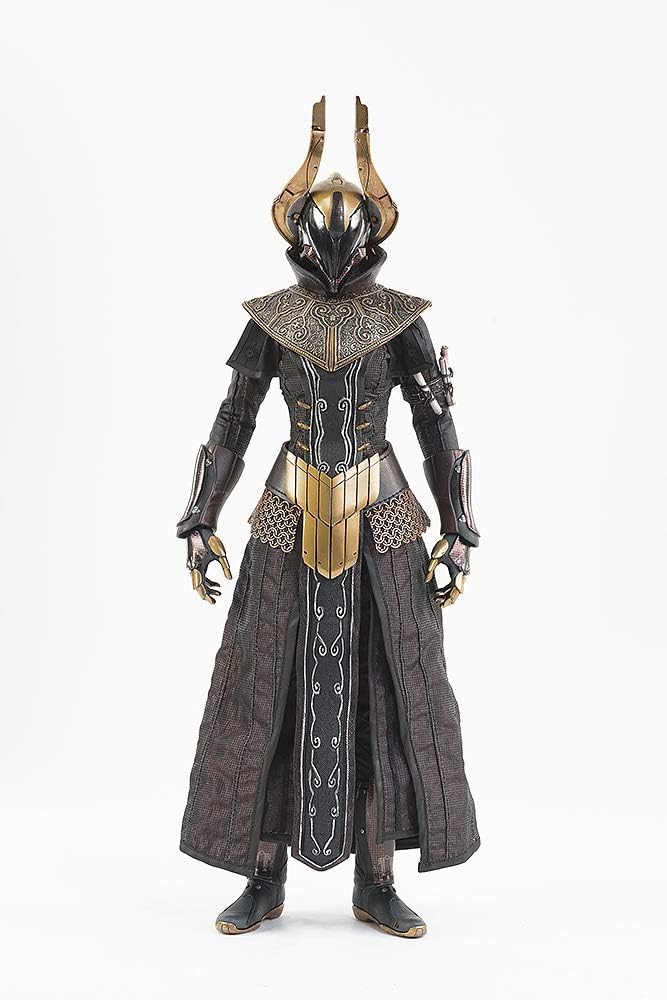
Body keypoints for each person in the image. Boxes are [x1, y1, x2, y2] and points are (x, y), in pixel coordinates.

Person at [177, 97, 480, 938]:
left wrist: (458, 526)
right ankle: (262, 873)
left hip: (383, 520)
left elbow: (435, 422)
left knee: (386, 690)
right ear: (304, 240)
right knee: (264, 688)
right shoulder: (273, 318)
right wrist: (199, 515)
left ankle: (376, 880)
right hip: (288, 515)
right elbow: (235, 419)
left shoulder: (400, 319)